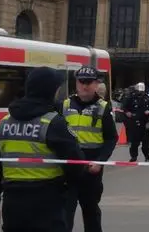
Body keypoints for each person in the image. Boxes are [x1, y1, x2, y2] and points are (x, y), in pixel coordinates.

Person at [0, 66, 86, 231]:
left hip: (13, 202)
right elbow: (76, 163)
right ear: (50, 91)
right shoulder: (53, 122)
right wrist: (69, 191)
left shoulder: (5, 122)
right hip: (47, 202)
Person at [62, 66, 117, 232]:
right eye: (81, 82)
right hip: (69, 169)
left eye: (89, 82)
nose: (84, 86)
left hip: (91, 170)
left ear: (96, 84)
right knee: (64, 214)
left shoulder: (103, 107)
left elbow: (111, 138)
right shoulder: (64, 105)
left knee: (91, 212)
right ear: (76, 83)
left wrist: (100, 162)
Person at [121, 83, 149, 162]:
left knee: (145, 143)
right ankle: (134, 156)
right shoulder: (131, 98)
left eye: (141, 91)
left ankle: (147, 155)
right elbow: (124, 107)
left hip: (145, 123)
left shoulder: (148, 99)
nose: (140, 93)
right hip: (134, 122)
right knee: (134, 142)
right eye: (138, 91)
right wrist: (127, 112)